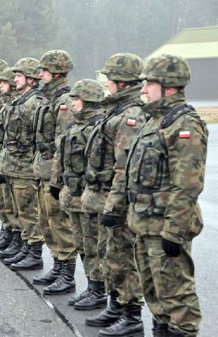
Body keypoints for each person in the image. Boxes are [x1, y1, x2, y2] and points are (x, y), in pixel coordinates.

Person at [126, 54, 207, 337]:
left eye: (149, 83)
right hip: (145, 225)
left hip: (165, 228)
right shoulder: (154, 121)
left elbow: (187, 185)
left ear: (169, 87)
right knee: (155, 296)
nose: (144, 89)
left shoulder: (183, 125)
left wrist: (173, 232)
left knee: (177, 299)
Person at [81, 54, 146, 337]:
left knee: (124, 258)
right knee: (111, 255)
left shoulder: (130, 115)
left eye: (109, 78)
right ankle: (116, 304)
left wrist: (114, 204)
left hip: (117, 198)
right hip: (106, 194)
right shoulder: (116, 110)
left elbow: (125, 167)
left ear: (121, 81)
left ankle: (131, 314)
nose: (105, 82)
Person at [54, 79, 104, 303]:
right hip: (73, 195)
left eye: (77, 99)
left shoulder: (96, 128)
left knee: (93, 245)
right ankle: (92, 286)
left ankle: (98, 290)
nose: (73, 103)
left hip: (88, 197)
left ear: (88, 101)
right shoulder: (76, 126)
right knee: (82, 244)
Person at [32, 49, 77, 294]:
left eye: (45, 70)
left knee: (60, 223)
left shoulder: (64, 101)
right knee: (47, 222)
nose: (40, 74)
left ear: (58, 71)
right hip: (44, 170)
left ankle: (67, 275)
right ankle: (58, 267)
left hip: (55, 174)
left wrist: (58, 178)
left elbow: (65, 143)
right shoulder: (49, 99)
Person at [0, 57, 44, 270]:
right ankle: (25, 247)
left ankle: (34, 253)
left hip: (26, 168)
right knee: (20, 211)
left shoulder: (36, 103)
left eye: (19, 76)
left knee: (29, 213)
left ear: (31, 79)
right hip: (14, 166)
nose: (15, 79)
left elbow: (40, 138)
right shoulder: (19, 101)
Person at [0, 67, 21, 251]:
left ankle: (18, 241)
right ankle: (8, 231)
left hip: (15, 162)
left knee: (16, 204)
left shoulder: (16, 104)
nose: (1, 86)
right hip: (2, 157)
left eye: (5, 82)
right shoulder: (4, 103)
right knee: (2, 199)